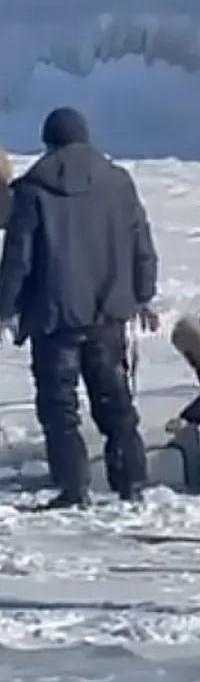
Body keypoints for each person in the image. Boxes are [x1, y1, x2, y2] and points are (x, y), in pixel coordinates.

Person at [0, 108, 159, 508]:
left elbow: (18, 259)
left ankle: (73, 487)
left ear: (48, 141)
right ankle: (132, 482)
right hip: (107, 315)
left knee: (59, 406)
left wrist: (5, 306)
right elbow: (142, 243)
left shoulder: (34, 189)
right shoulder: (119, 183)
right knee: (115, 401)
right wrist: (142, 293)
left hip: (54, 319)